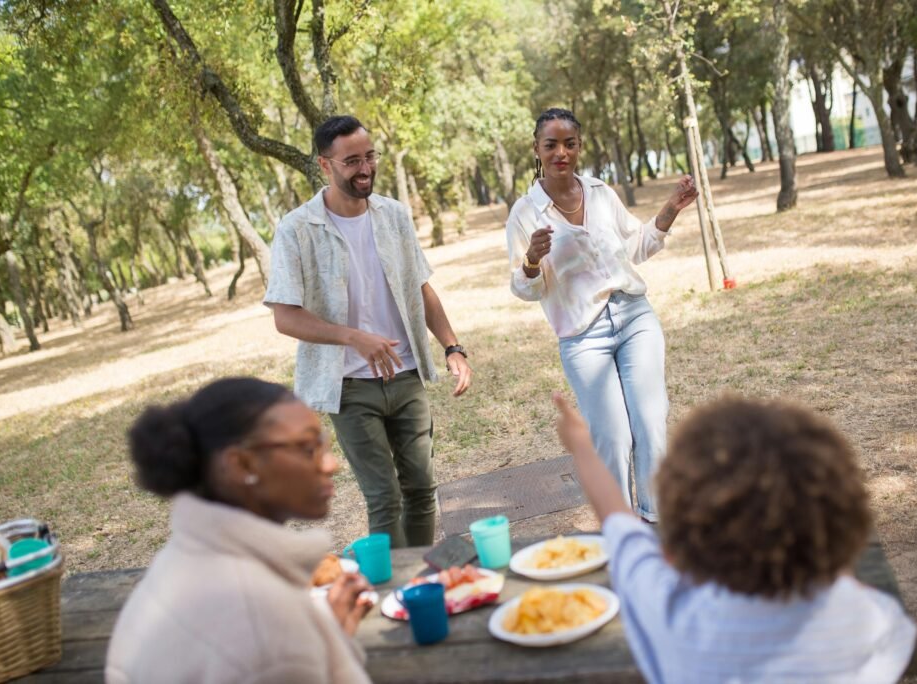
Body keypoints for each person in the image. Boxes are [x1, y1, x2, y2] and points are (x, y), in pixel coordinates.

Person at [553, 392, 917, 684]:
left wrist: (582, 446)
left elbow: (617, 520)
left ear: (678, 549)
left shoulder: (674, 616)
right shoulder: (867, 621)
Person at [264, 115, 472, 548]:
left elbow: (421, 287)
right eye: (352, 161)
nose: (365, 169)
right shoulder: (297, 228)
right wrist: (353, 336)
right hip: (351, 385)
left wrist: (452, 346)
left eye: (370, 156)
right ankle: (395, 595)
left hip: (407, 375)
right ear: (325, 165)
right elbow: (285, 316)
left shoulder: (393, 215)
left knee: (421, 489)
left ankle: (420, 581)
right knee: (384, 497)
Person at [105, 377, 374, 684]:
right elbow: (263, 652)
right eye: (308, 447)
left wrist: (325, 636)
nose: (331, 464)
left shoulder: (179, 562)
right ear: (242, 465)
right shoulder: (263, 624)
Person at [506, 107, 698, 522]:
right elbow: (523, 288)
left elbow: (637, 248)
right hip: (582, 335)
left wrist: (671, 208)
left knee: (650, 422)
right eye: (551, 144)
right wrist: (532, 260)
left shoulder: (600, 193)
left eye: (570, 144)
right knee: (611, 436)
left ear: (579, 147)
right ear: (537, 149)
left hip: (634, 317)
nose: (562, 152)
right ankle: (620, 525)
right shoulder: (525, 212)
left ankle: (657, 519)